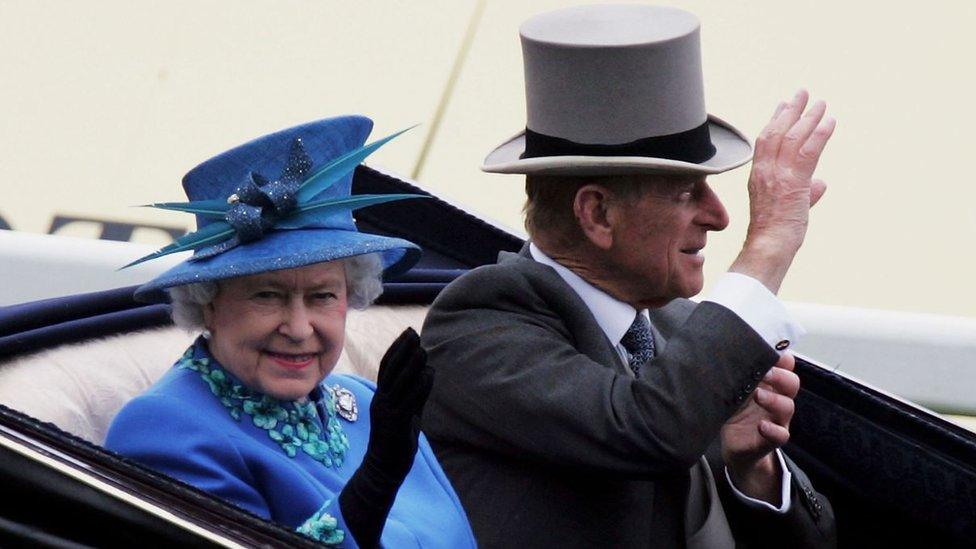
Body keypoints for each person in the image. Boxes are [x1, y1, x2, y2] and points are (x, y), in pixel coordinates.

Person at [421, 5, 836, 548]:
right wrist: (768, 247)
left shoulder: (684, 332)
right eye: (688, 192)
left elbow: (819, 540)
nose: (720, 216)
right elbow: (647, 430)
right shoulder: (479, 326)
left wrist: (750, 470)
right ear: (597, 214)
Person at [105, 116, 476, 548]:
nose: (299, 329)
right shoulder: (163, 428)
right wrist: (371, 487)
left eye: (322, 297)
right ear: (207, 304)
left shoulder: (364, 402)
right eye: (267, 295)